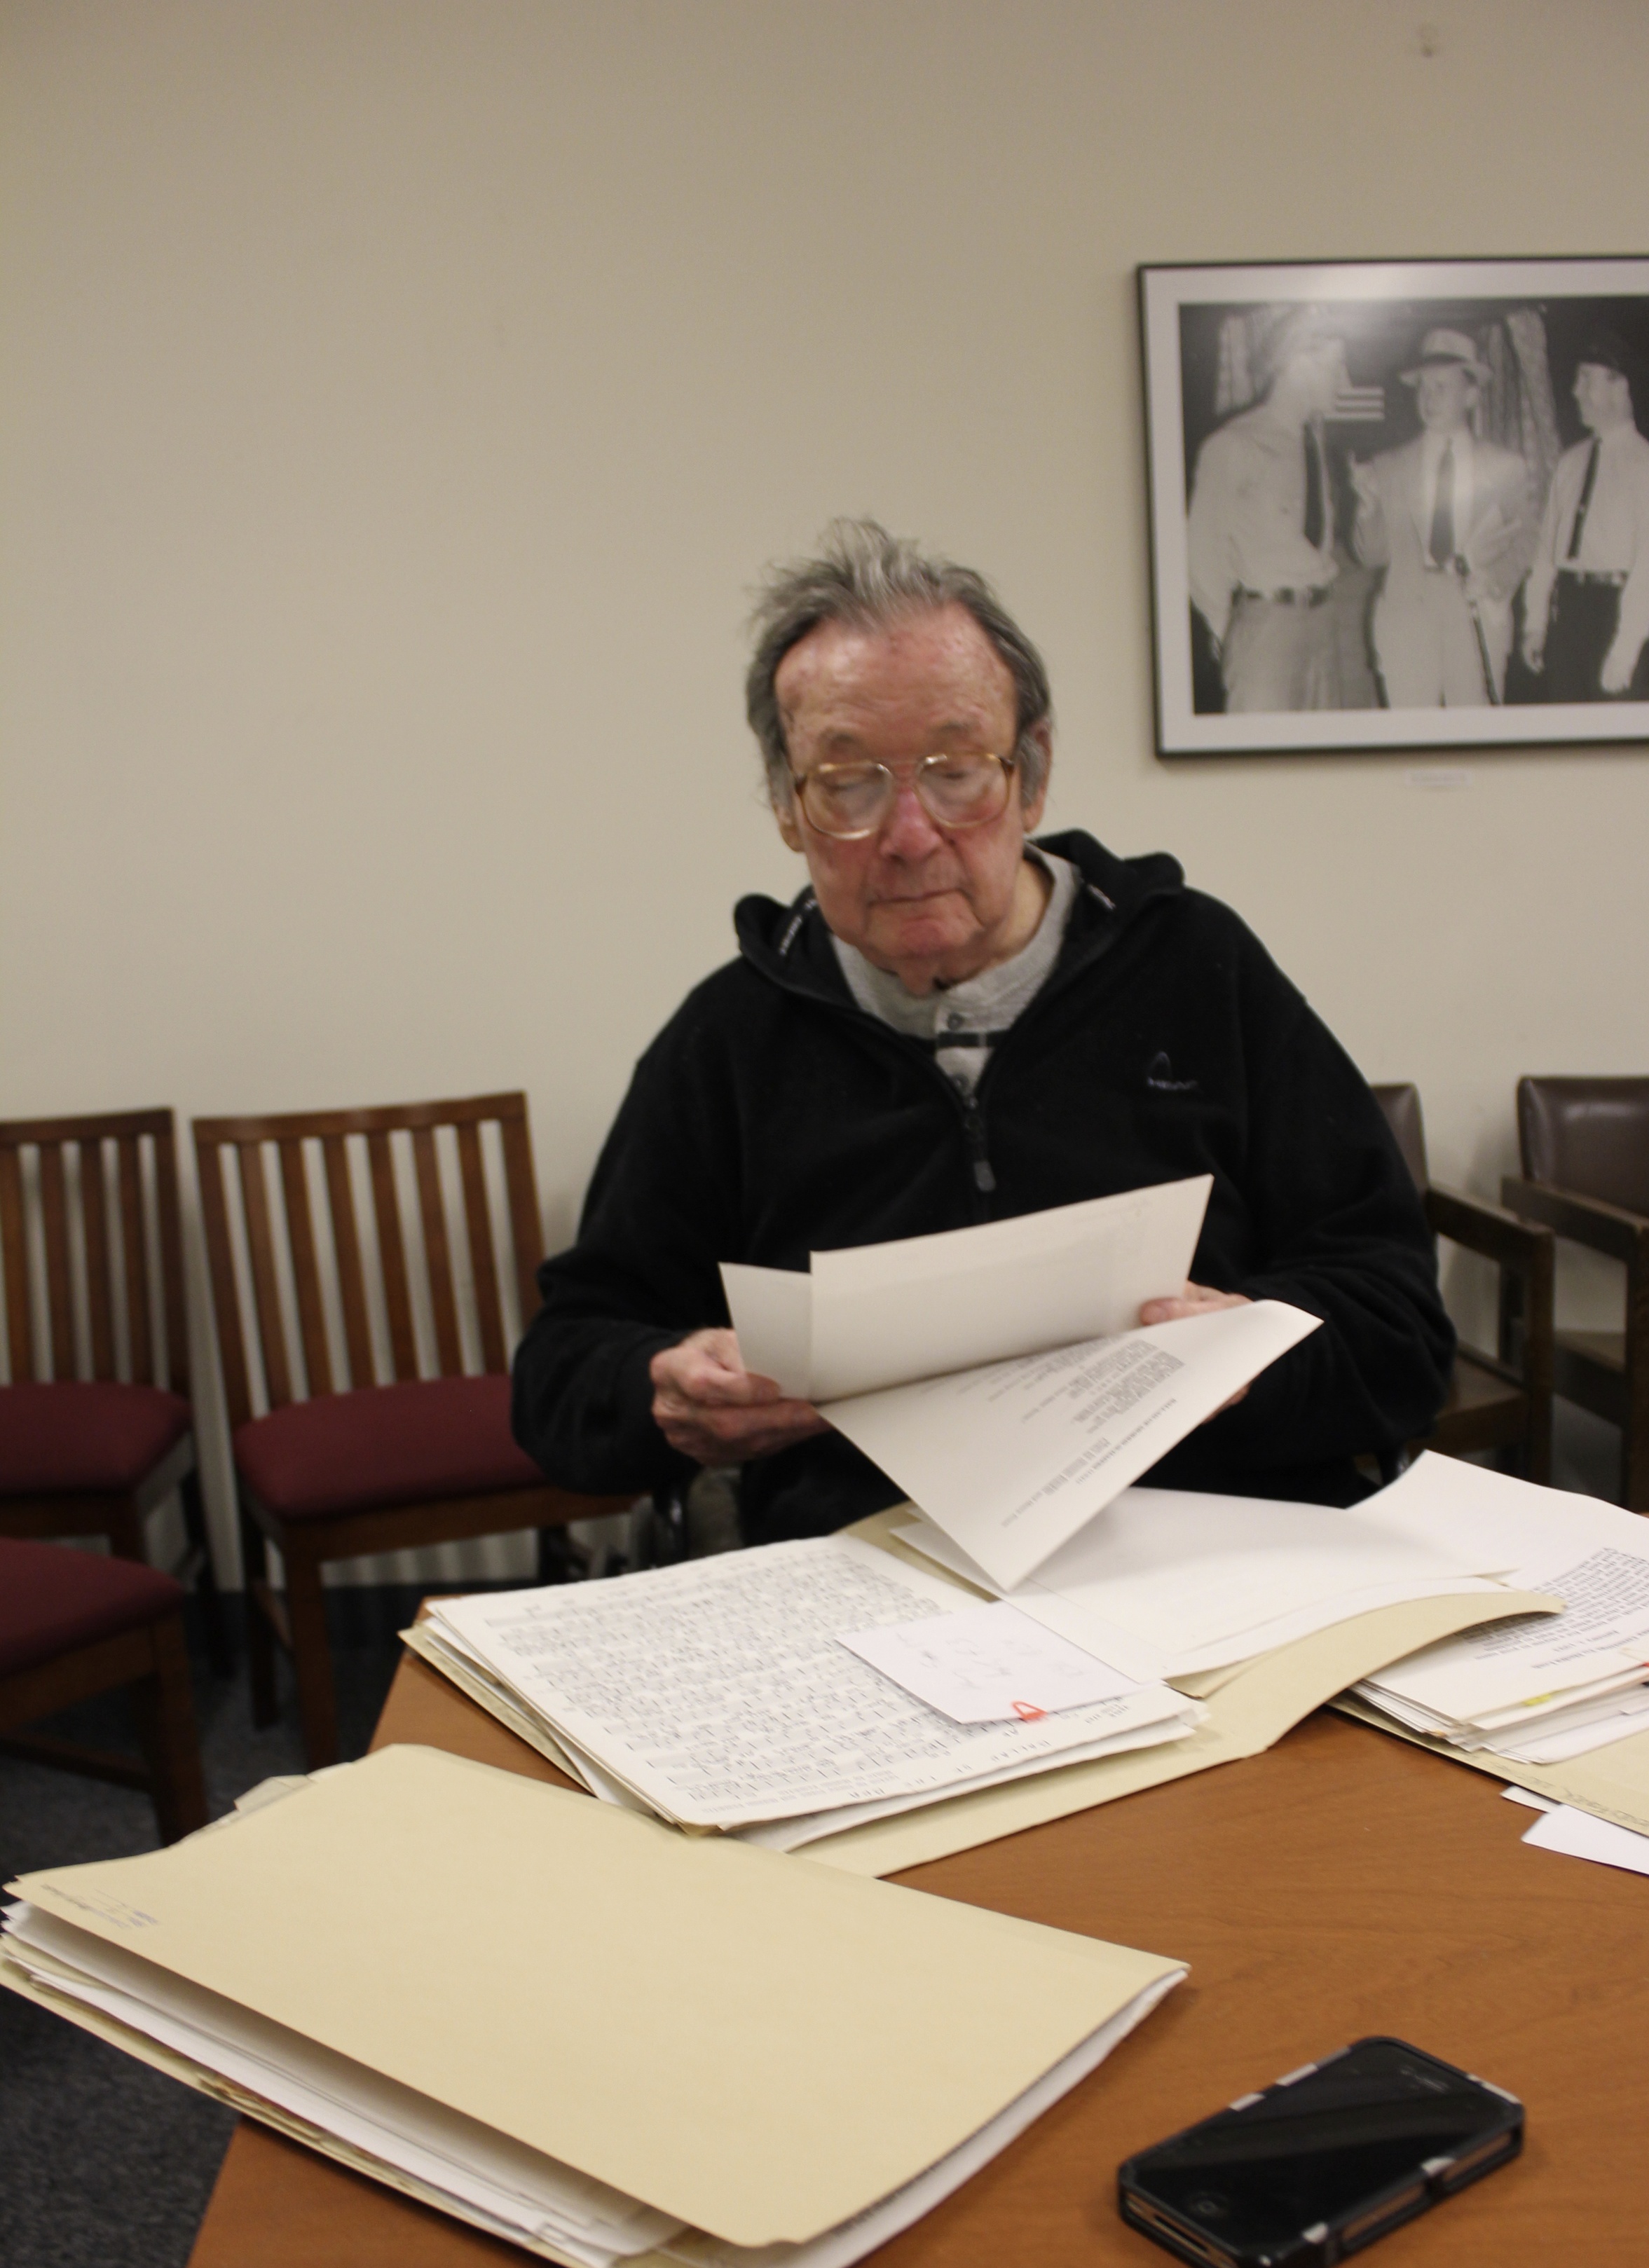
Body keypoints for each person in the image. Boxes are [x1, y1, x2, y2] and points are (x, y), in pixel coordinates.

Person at [512, 521, 1453, 1546]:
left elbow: (1401, 1326)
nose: (911, 835)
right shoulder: (731, 1039)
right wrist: (662, 1387)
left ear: (1032, 775)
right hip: (876, 1586)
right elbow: (562, 1378)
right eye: (848, 782)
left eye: (956, 768)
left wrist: (1250, 1350)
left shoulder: (1197, 968)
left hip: (1214, 1546)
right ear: (787, 806)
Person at [1352, 328, 1534, 708]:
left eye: (1441, 388)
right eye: (1423, 387)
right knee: (1413, 743)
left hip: (1475, 616)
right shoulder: (1389, 466)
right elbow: (1372, 556)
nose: (1428, 398)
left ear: (1471, 395)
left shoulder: (1507, 467)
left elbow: (1527, 540)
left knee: (1474, 738)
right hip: (1407, 620)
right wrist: (1368, 509)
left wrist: (1495, 582)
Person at [1184, 311, 1349, 712]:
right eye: (1335, 369)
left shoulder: (1315, 444)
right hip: (1266, 632)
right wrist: (1234, 629)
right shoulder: (1233, 445)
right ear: (1299, 364)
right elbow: (1200, 552)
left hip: (1325, 627)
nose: (1346, 383)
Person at [1523, 327, 1649, 700]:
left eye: (1587, 380)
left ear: (1621, 388)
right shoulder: (1569, 464)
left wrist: (1625, 651)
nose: (1576, 391)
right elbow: (1546, 553)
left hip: (1616, 617)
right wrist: (1536, 623)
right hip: (1568, 619)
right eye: (1578, 379)